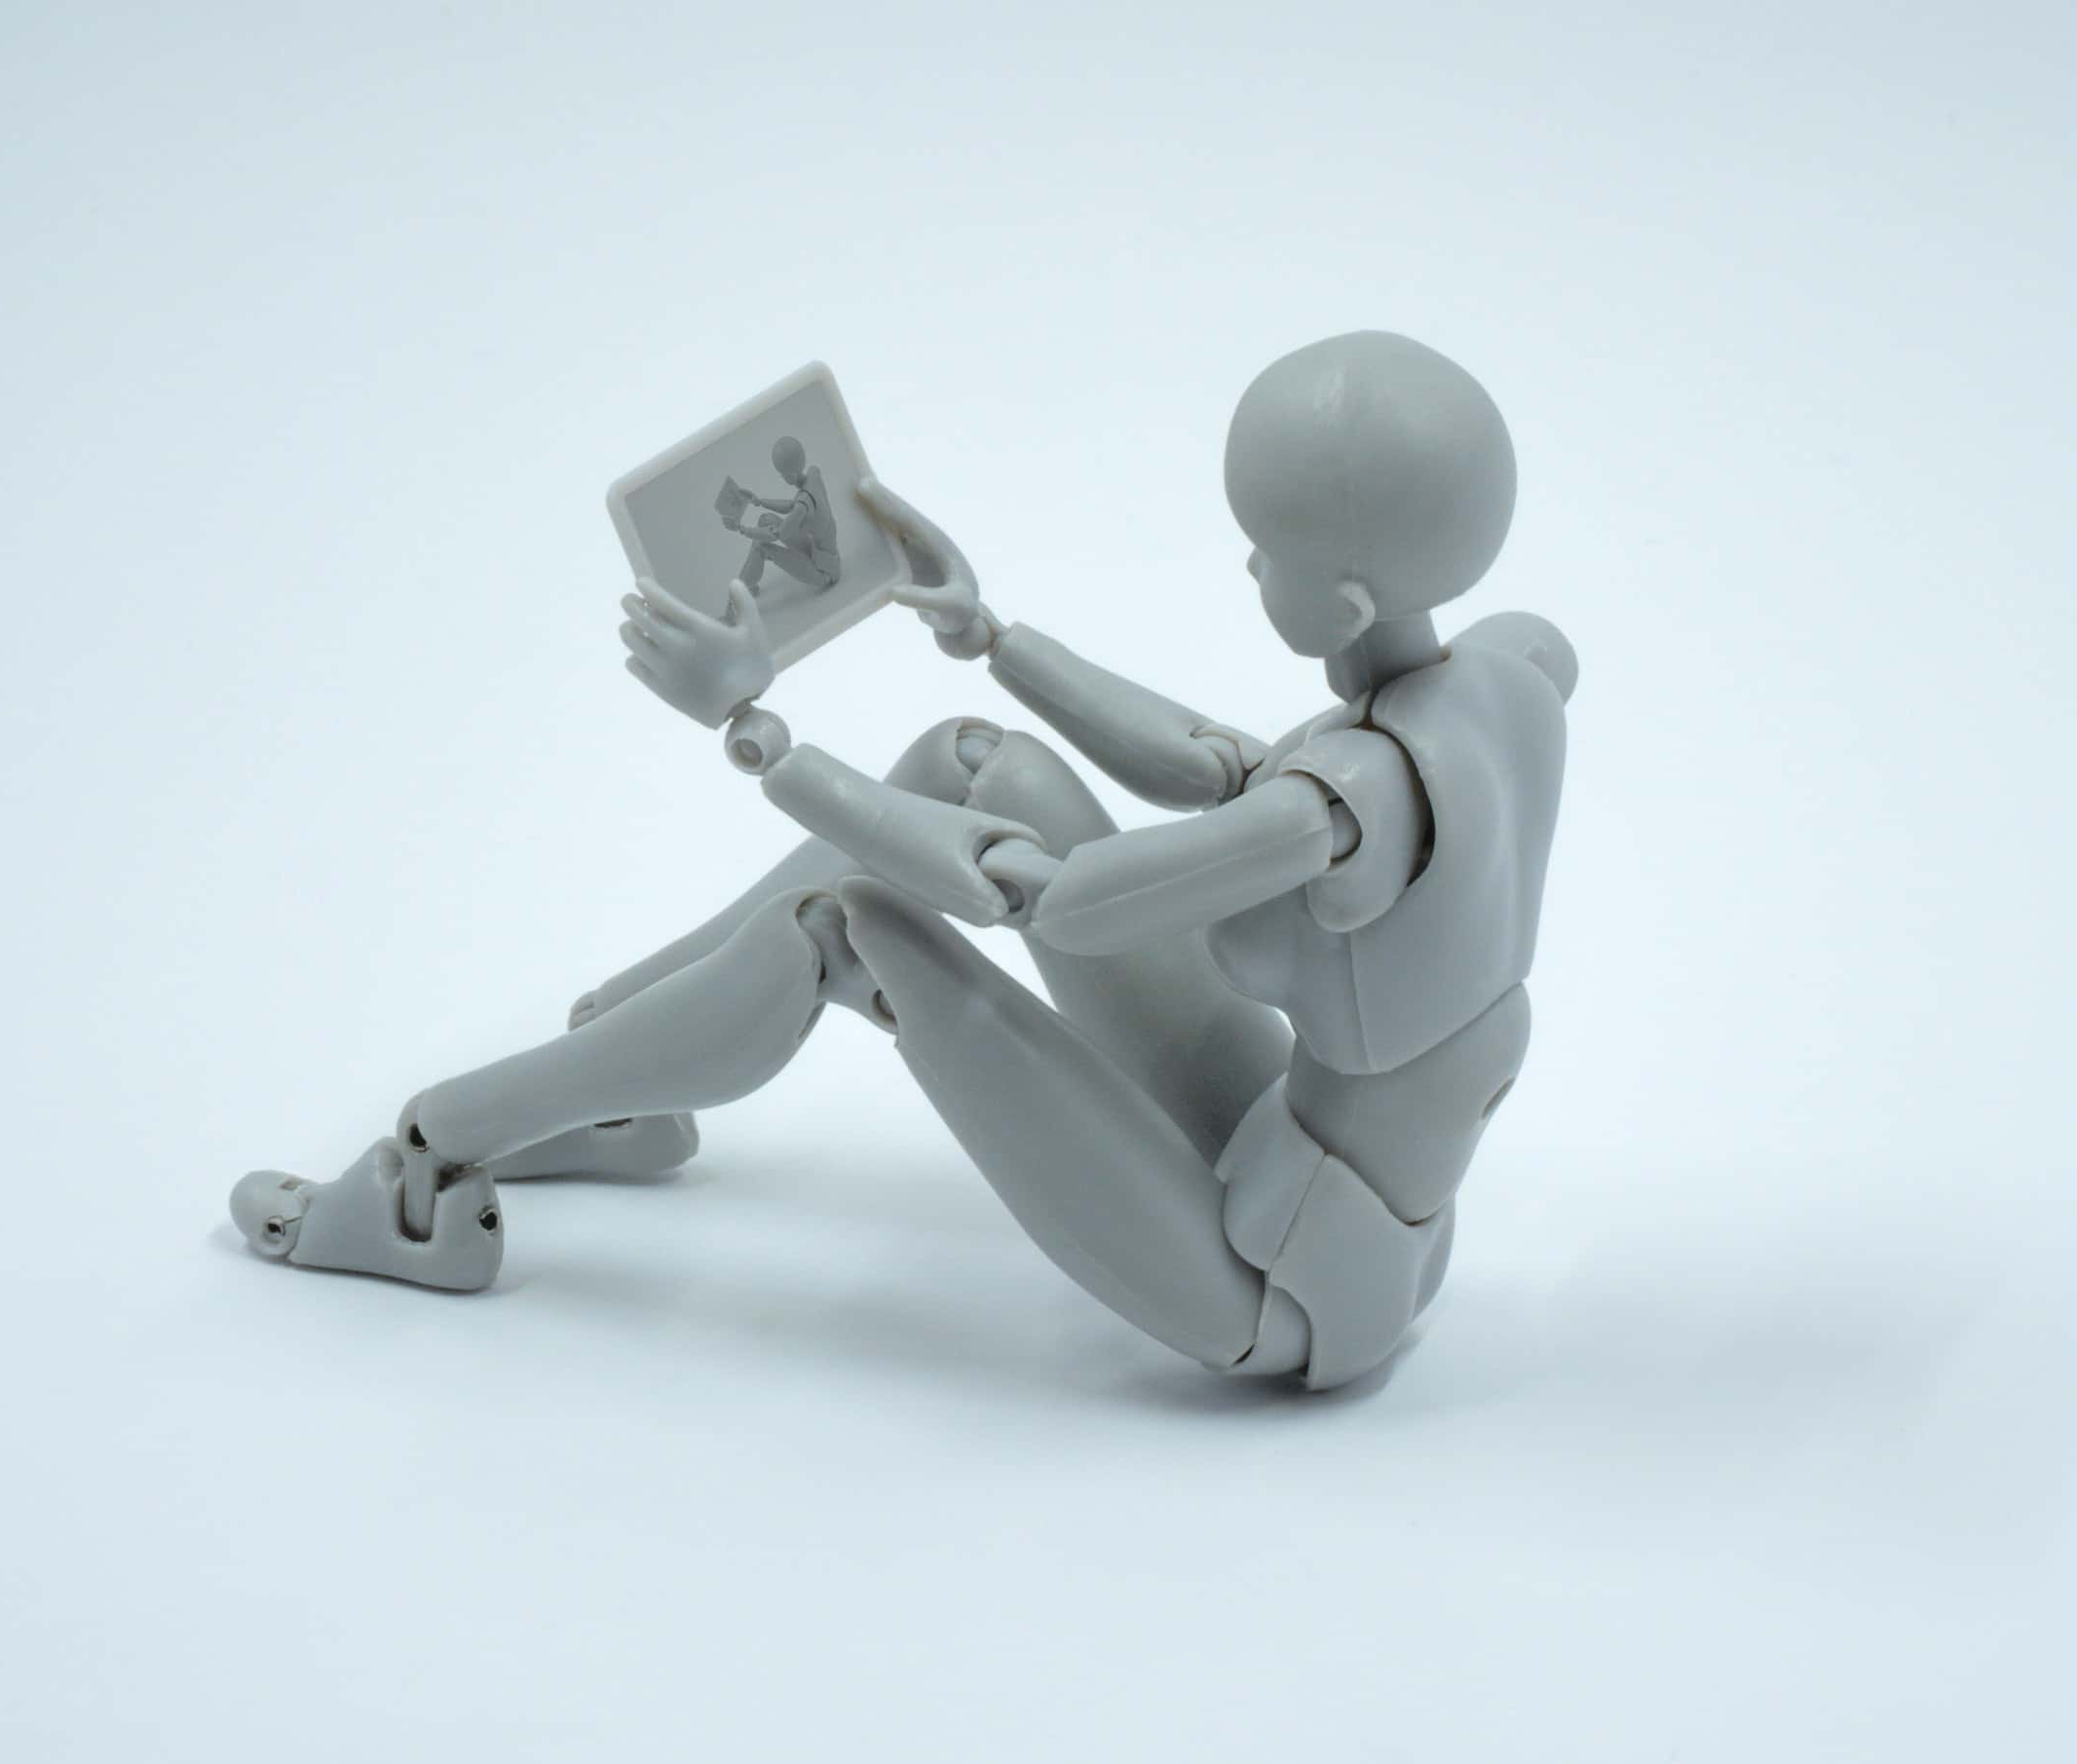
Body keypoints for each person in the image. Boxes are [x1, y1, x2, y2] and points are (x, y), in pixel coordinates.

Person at [229, 332, 1575, 1390]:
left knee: (844, 925)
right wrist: (988, 635)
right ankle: (620, 1069)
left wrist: (757, 733)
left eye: (1266, 551)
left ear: (1342, 599)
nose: (1245, 563)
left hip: (1276, 1284)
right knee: (976, 761)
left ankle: (422, 1162)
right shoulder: (1513, 672)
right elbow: (1224, 762)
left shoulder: (1335, 812)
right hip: (1324, 1169)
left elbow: (1046, 899)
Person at [726, 434, 839, 592]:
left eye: (782, 474)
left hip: (823, 571)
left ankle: (738, 594)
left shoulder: (802, 507)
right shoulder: (814, 474)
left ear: (790, 475)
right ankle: (748, 582)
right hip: (819, 550)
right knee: (765, 519)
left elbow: (777, 534)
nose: (781, 477)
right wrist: (759, 501)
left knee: (761, 547)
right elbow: (791, 505)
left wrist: (741, 529)